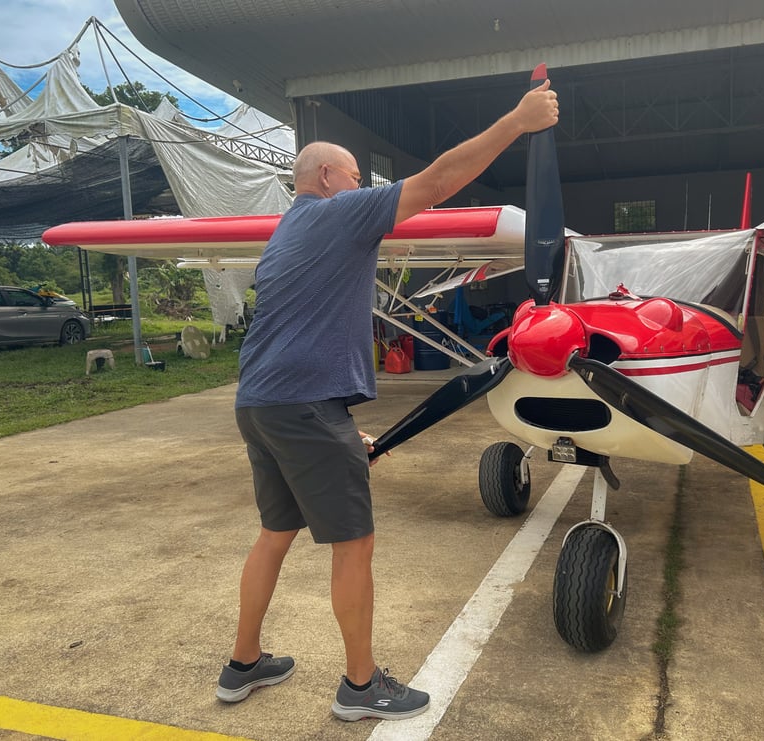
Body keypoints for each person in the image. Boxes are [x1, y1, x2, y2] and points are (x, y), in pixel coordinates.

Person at [216, 76, 559, 721]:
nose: (363, 189)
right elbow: (435, 183)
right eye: (354, 176)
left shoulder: (290, 230)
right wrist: (517, 121)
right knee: (355, 545)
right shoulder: (333, 212)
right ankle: (360, 686)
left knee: (274, 533)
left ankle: (243, 665)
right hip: (304, 409)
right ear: (324, 178)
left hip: (263, 406)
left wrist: (333, 431)